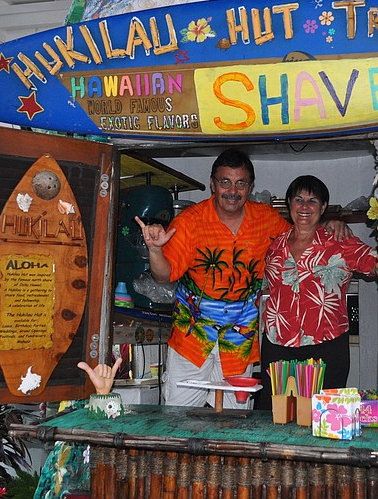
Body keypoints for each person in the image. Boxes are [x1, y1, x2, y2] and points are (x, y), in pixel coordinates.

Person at [136, 149, 352, 408]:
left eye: (240, 183)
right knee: (178, 419)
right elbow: (163, 276)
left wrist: (330, 224)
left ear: (250, 187)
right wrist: (155, 249)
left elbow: (302, 236)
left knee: (235, 425)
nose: (232, 190)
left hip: (238, 345)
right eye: (225, 182)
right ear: (213, 184)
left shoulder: (266, 220)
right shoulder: (190, 222)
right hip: (191, 342)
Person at [255, 175, 378, 410]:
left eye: (313, 201)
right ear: (289, 204)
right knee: (275, 417)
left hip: (326, 347)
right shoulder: (274, 245)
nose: (305, 207)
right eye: (299, 199)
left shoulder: (340, 242)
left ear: (323, 207)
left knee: (324, 418)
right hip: (277, 346)